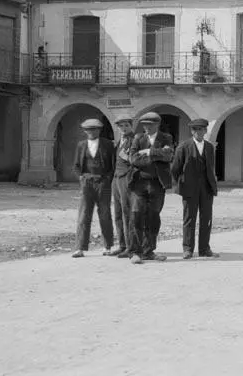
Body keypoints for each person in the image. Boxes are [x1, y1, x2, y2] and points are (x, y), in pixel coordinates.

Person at [128, 112, 174, 264]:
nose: (146, 127)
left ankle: (148, 251)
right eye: (144, 125)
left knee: (153, 217)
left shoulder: (166, 138)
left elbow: (169, 156)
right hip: (139, 183)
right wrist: (157, 156)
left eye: (149, 124)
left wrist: (148, 152)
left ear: (157, 124)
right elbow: (133, 159)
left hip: (157, 183)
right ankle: (135, 252)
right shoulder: (138, 138)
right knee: (136, 215)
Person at [171, 118, 219, 259]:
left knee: (206, 219)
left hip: (206, 188)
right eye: (195, 129)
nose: (198, 132)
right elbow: (175, 168)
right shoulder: (184, 146)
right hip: (189, 188)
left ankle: (204, 249)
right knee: (189, 219)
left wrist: (212, 184)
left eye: (201, 129)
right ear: (191, 131)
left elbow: (211, 168)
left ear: (205, 131)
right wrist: (181, 183)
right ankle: (188, 249)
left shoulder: (210, 147)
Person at [71, 118, 116, 258]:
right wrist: (81, 178)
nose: (91, 132)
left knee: (105, 214)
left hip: (103, 182)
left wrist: (107, 179)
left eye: (94, 129)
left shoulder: (108, 144)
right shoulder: (81, 145)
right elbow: (76, 165)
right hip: (87, 182)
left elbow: (113, 165)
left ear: (99, 130)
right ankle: (80, 248)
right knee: (84, 214)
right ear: (84, 131)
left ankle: (107, 246)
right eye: (89, 130)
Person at [107, 116, 135, 257]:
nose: (123, 129)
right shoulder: (120, 141)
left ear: (131, 126)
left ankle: (130, 247)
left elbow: (135, 160)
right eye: (121, 126)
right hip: (116, 178)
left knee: (127, 213)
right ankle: (122, 245)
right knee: (117, 213)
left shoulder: (135, 139)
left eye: (126, 126)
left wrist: (126, 157)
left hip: (126, 178)